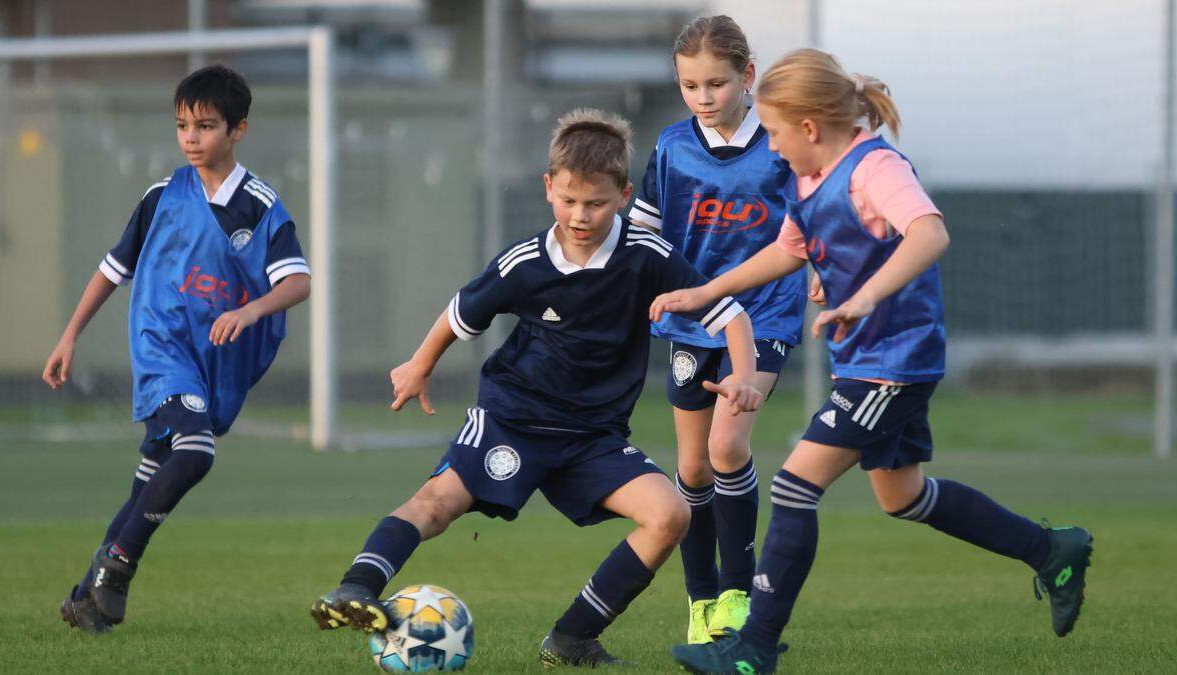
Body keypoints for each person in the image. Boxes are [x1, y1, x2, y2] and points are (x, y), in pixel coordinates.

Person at [653, 49, 1093, 673]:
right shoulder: (807, 182)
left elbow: (929, 232)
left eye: (776, 133)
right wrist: (704, 291)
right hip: (862, 362)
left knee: (793, 484)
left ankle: (752, 651)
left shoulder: (874, 166)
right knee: (903, 497)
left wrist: (863, 295)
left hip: (896, 362)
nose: (771, 149)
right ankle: (1052, 549)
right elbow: (785, 254)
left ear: (809, 128)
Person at [309, 108, 764, 668]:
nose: (580, 215)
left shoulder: (647, 256)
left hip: (593, 437)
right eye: (569, 200)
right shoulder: (524, 262)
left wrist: (743, 373)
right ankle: (355, 588)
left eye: (596, 203)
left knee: (671, 513)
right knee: (437, 503)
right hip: (513, 419)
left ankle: (572, 637)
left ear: (623, 194)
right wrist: (420, 363)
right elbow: (461, 312)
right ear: (549, 188)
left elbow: (730, 313)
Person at [43, 64, 312, 634]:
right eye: (182, 126)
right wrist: (69, 335)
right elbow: (113, 270)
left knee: (152, 477)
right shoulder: (163, 195)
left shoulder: (259, 205)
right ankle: (118, 567)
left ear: (238, 129)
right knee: (195, 452)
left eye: (206, 126)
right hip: (162, 347)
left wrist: (248, 309)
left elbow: (298, 282)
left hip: (215, 360)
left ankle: (85, 595)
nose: (192, 138)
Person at [628, 15, 806, 644]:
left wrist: (824, 274)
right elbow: (645, 236)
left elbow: (814, 224)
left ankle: (740, 592)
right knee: (694, 469)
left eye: (717, 84)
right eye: (690, 86)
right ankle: (703, 604)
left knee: (728, 448)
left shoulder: (780, 146)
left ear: (747, 76)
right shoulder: (673, 147)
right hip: (690, 320)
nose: (704, 97)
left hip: (765, 315)